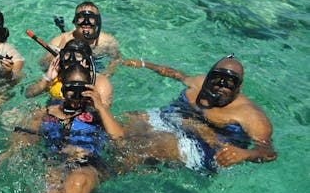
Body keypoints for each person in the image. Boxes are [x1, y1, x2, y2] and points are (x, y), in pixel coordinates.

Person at [0, 64, 124, 193]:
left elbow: (119, 139)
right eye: (71, 90)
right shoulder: (45, 114)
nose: (76, 95)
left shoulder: (98, 114)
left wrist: (100, 107)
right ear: (62, 89)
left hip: (89, 166)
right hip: (56, 167)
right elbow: (23, 141)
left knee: (77, 181)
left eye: (82, 90)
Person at [119, 54, 277, 172]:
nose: (220, 87)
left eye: (229, 83)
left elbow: (268, 152)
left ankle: (111, 174)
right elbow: (175, 74)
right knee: (127, 121)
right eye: (216, 79)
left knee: (153, 144)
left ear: (239, 87)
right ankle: (141, 168)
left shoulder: (251, 114)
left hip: (204, 147)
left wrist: (245, 154)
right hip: (171, 119)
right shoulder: (199, 82)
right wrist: (144, 64)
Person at [26, 39, 113, 109]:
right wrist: (46, 79)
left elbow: (103, 113)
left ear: (87, 62)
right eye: (67, 55)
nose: (71, 60)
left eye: (78, 56)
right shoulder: (56, 75)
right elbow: (29, 94)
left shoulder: (99, 82)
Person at [41, 1, 121, 75]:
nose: (86, 22)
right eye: (81, 18)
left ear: (97, 21)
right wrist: (60, 50)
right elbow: (44, 64)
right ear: (75, 21)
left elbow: (116, 61)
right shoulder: (60, 41)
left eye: (91, 18)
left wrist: (104, 75)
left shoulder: (107, 41)